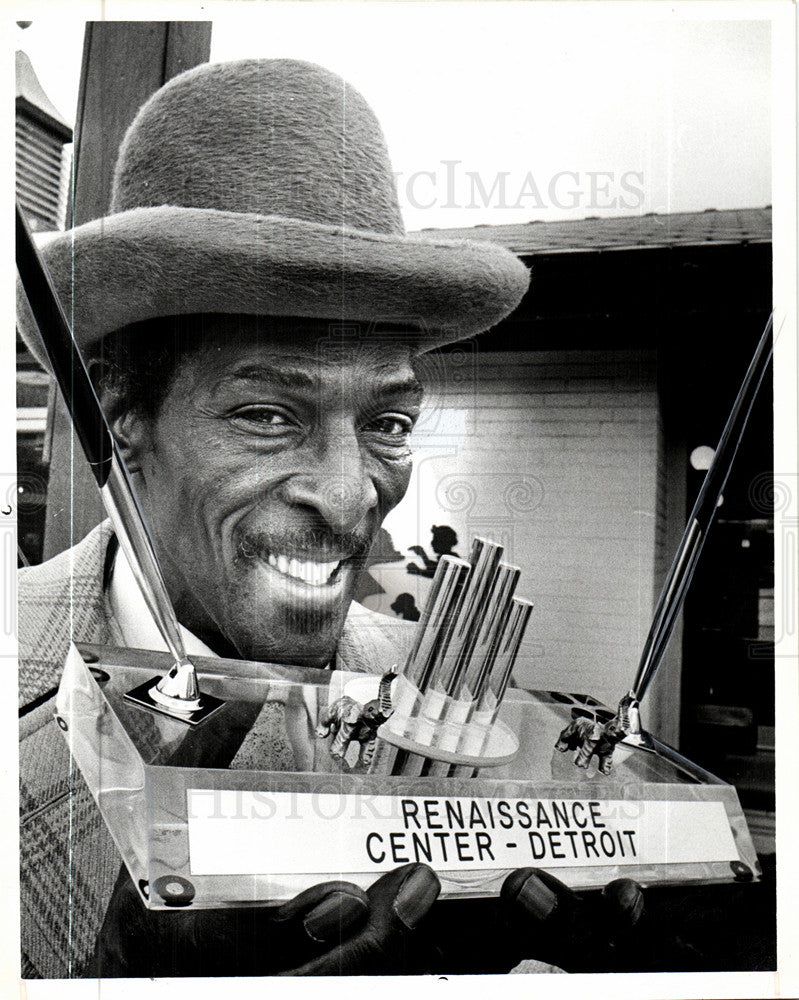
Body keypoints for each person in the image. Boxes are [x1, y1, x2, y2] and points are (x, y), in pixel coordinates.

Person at [17, 57, 642, 978]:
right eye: (267, 415)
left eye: (386, 424)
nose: (352, 499)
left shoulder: (441, 697)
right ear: (122, 417)